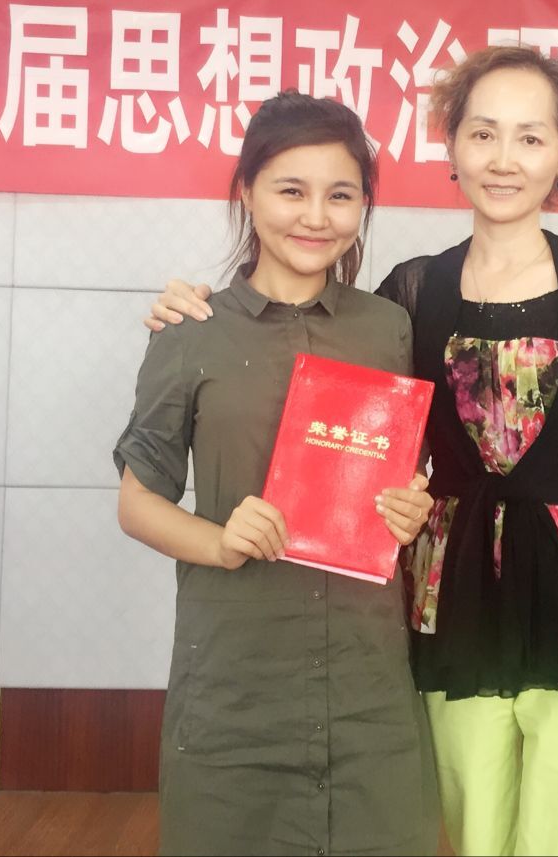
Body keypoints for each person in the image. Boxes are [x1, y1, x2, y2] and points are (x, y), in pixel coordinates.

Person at [147, 46, 558, 857]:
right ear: (452, 144)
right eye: (484, 134)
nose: (504, 159)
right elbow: (345, 413)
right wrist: (196, 311)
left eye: (531, 138)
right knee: (472, 839)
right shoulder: (408, 295)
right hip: (450, 604)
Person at [114, 91, 440, 857]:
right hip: (236, 692)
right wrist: (219, 540)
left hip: (368, 692)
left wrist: (411, 508)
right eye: (291, 190)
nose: (315, 216)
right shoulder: (191, 331)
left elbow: (408, 471)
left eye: (341, 195)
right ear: (247, 192)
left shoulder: (388, 328)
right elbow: (137, 502)